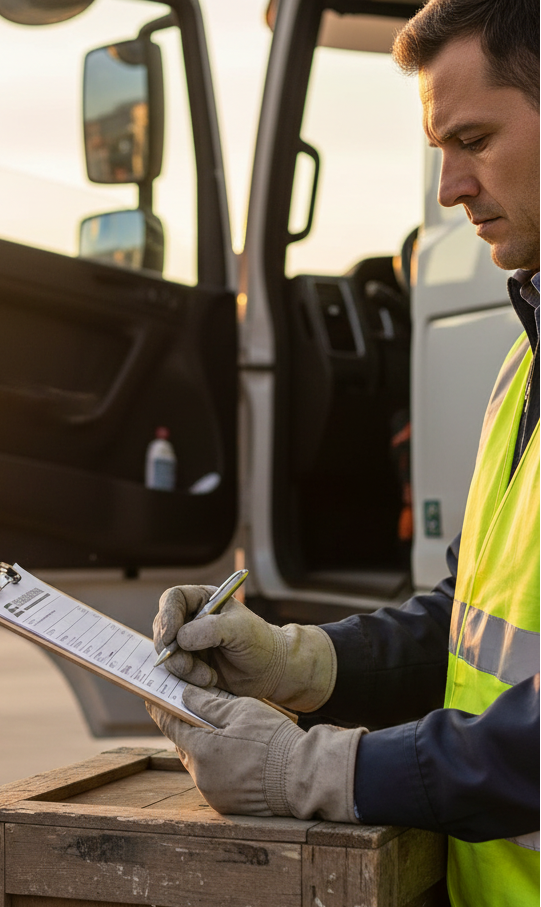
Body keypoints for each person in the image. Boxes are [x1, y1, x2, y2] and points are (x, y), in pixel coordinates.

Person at [146, 2, 539, 905]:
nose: (447, 189)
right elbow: (473, 618)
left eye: (472, 139)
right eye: (438, 150)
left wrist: (316, 772)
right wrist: (302, 660)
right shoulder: (521, 362)